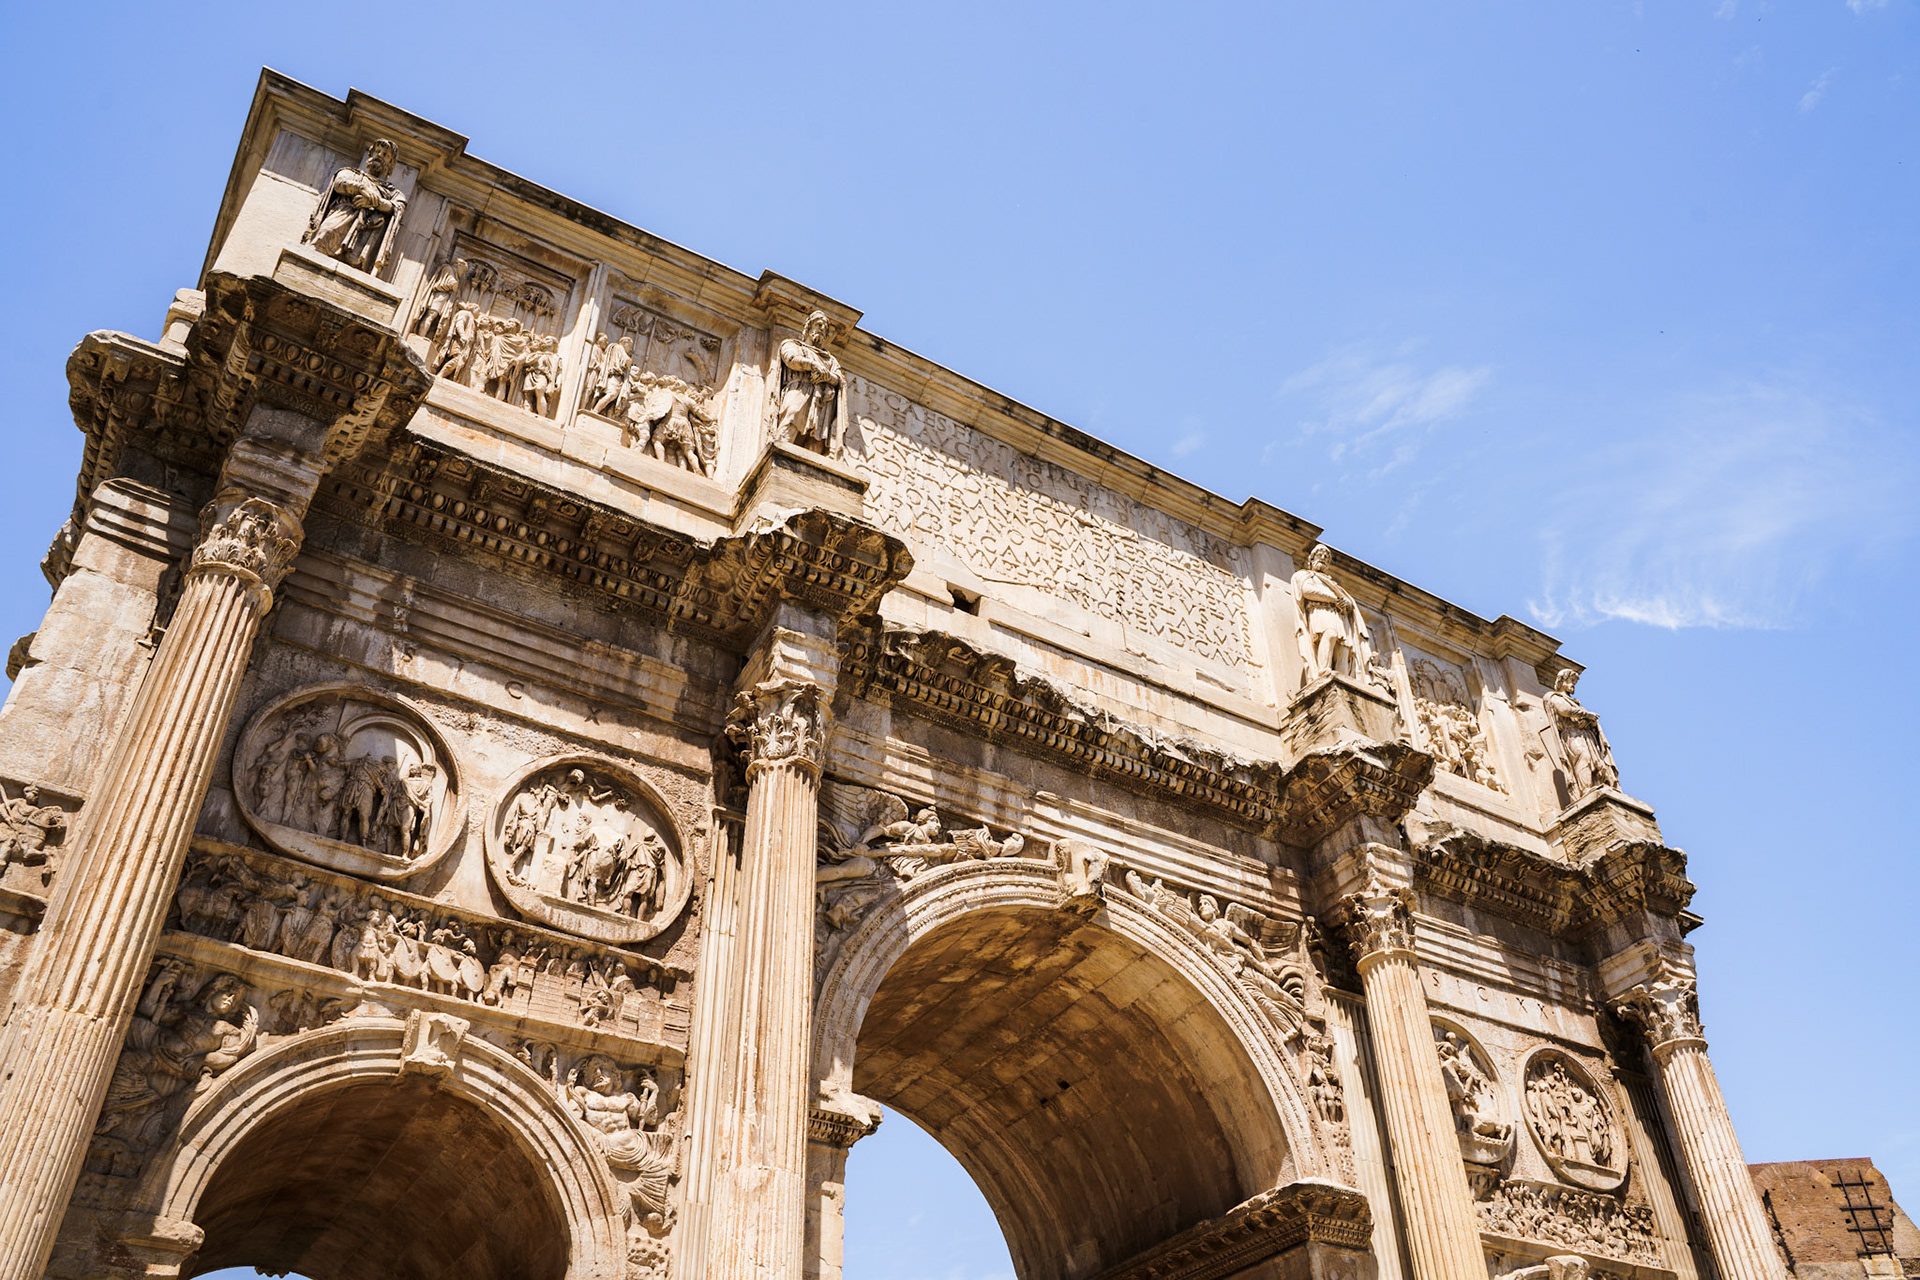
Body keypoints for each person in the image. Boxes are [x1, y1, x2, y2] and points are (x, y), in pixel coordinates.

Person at [302, 139, 407, 274]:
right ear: (370, 155)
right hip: (342, 215)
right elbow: (339, 183)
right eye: (377, 151)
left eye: (386, 154)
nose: (380, 155)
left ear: (391, 165)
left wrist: (375, 202)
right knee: (326, 232)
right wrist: (361, 187)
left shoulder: (393, 192)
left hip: (366, 229)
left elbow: (397, 207)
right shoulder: (351, 173)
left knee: (357, 263)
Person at [1289, 543, 1375, 686]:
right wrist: (1334, 599)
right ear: (1311, 558)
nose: (1322, 558)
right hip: (1320, 611)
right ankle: (1323, 670)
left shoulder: (1334, 584)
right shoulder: (1304, 575)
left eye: (1326, 557)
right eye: (1319, 555)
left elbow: (1348, 602)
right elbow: (1307, 590)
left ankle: (1343, 680)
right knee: (1330, 634)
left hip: (1338, 614)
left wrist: (1346, 603)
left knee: (1344, 646)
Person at [772, 310, 847, 456]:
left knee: (816, 440)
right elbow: (790, 359)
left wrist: (826, 377)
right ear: (809, 326)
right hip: (799, 389)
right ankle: (777, 455)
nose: (821, 329)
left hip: (823, 401)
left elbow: (839, 378)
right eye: (818, 325)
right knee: (791, 420)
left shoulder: (830, 359)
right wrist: (812, 364)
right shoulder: (793, 345)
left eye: (824, 328)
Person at [1543, 669, 1620, 799]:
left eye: (1574, 682)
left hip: (1586, 735)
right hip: (1571, 734)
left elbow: (1589, 721)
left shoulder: (1576, 703)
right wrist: (1586, 715)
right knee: (1583, 756)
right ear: (1562, 681)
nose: (1573, 684)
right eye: (1570, 681)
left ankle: (1596, 785)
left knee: (1596, 763)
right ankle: (1585, 790)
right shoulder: (1555, 697)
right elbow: (1564, 710)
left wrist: (1589, 722)